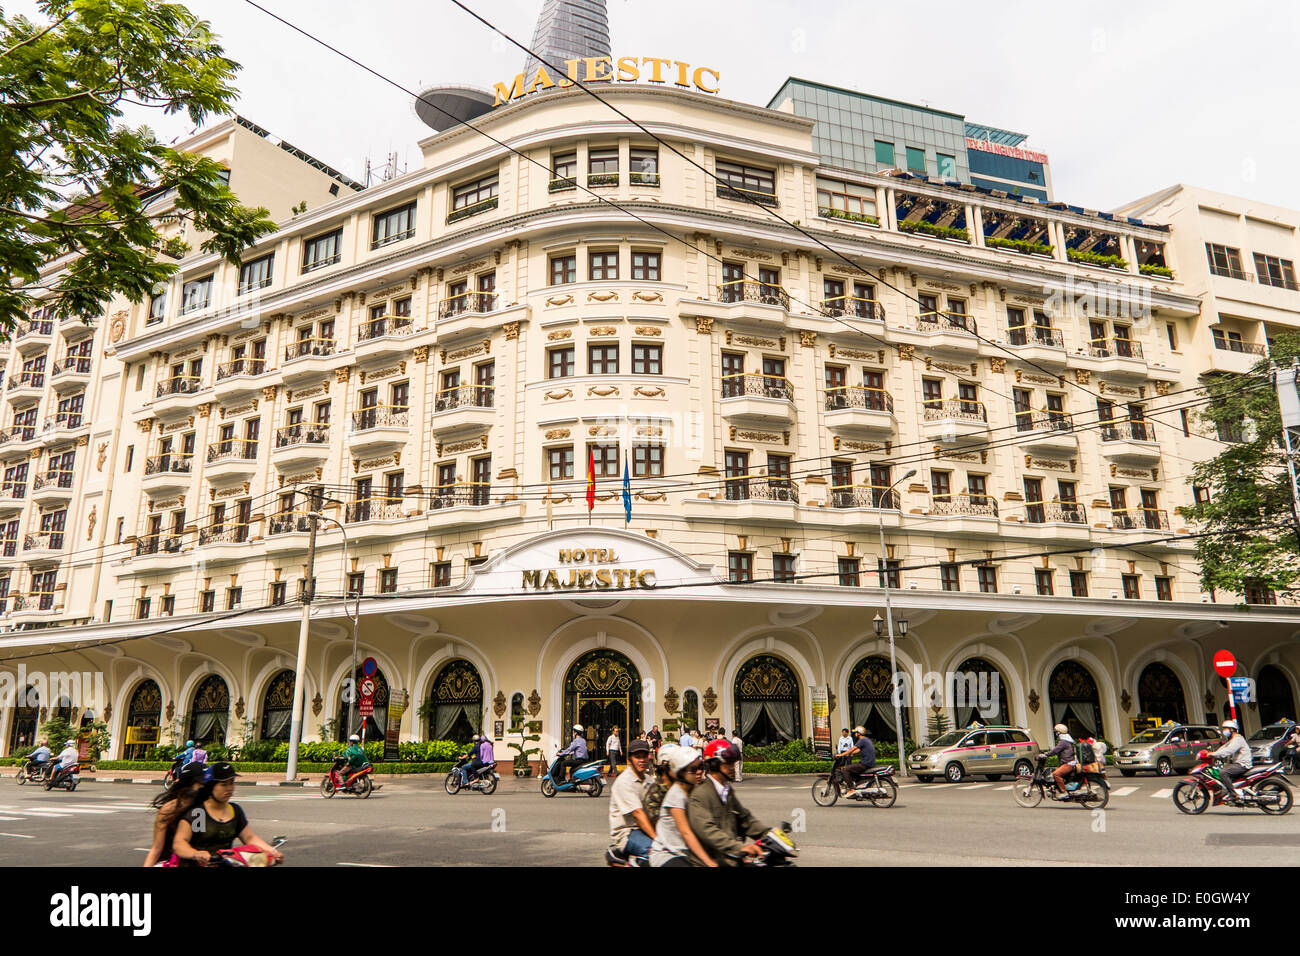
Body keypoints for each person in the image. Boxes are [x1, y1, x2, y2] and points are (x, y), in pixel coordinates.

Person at [171, 762, 283, 866]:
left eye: (231, 783)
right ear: (211, 786)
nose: (229, 789)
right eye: (223, 784)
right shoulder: (199, 814)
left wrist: (271, 851)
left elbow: (249, 837)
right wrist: (196, 854)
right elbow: (180, 843)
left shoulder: (234, 811)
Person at [687, 739, 767, 867]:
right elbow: (709, 831)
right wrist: (740, 847)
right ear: (714, 764)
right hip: (709, 861)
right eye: (728, 764)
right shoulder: (700, 795)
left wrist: (770, 834)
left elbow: (746, 819)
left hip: (730, 857)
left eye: (733, 763)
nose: (732, 767)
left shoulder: (727, 791)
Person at [649, 747, 715, 868]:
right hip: (668, 854)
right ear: (681, 773)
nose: (699, 772)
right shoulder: (676, 795)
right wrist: (708, 862)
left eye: (701, 767)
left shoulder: (697, 790)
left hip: (688, 853)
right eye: (693, 769)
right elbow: (686, 833)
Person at [143, 761, 207, 867]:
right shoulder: (169, 809)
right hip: (173, 861)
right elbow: (156, 849)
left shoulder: (207, 805)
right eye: (202, 784)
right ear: (188, 784)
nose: (206, 788)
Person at [607, 739, 656, 865]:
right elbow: (638, 814)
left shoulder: (650, 781)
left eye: (644, 756)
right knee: (653, 850)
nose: (642, 760)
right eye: (637, 757)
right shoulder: (624, 782)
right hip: (627, 832)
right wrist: (657, 839)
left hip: (645, 828)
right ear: (629, 760)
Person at [1212, 719, 1252, 803]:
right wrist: (1213, 753)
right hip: (1239, 764)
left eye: (1226, 728)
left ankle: (1233, 795)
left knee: (1223, 772)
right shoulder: (1233, 739)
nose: (1224, 731)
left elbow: (1228, 750)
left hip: (1242, 765)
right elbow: (1224, 747)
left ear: (1232, 729)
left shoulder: (1238, 739)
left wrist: (1213, 754)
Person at [1043, 724, 1076, 798]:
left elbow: (1055, 750)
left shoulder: (1063, 742)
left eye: (1056, 732)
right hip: (1069, 762)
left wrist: (1046, 754)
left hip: (1068, 763)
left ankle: (1064, 792)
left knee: (1056, 774)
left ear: (1059, 733)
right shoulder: (1068, 740)